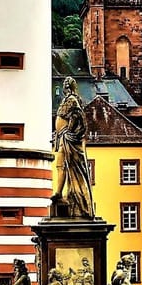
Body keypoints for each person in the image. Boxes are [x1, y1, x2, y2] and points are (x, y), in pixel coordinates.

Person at [50, 76, 95, 218]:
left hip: (68, 139)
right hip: (62, 137)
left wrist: (70, 131)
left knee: (65, 165)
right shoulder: (66, 100)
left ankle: (64, 193)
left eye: (66, 84)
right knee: (60, 164)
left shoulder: (73, 100)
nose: (64, 86)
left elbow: (79, 118)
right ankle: (58, 193)